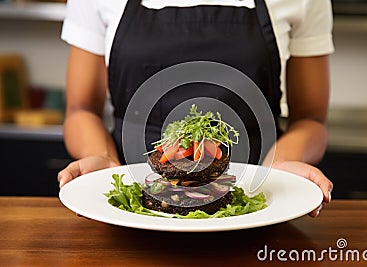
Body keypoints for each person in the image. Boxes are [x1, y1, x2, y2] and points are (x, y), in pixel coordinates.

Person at [57, 0, 334, 217]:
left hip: (257, 203)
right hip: (132, 209)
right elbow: (81, 110)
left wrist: (277, 170)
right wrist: (106, 166)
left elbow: (310, 119)